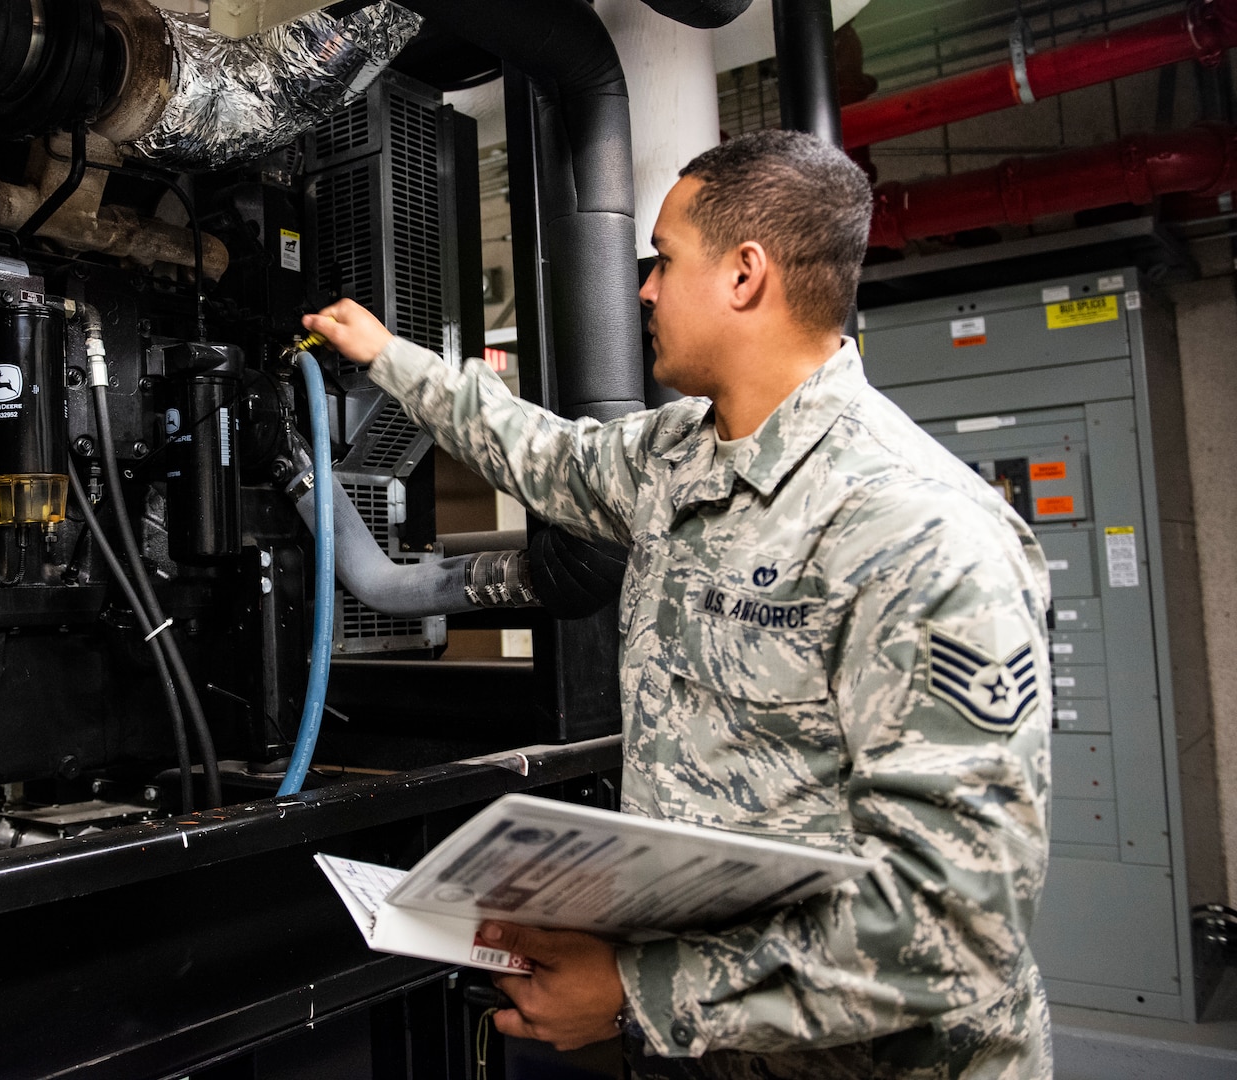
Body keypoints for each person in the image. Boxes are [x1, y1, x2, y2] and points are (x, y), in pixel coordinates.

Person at [301, 130, 1052, 1079]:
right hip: (723, 1052)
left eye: (664, 260)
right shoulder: (678, 455)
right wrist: (386, 356)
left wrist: (635, 992)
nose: (645, 288)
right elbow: (542, 452)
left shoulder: (917, 531)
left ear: (745, 275)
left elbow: (959, 922)